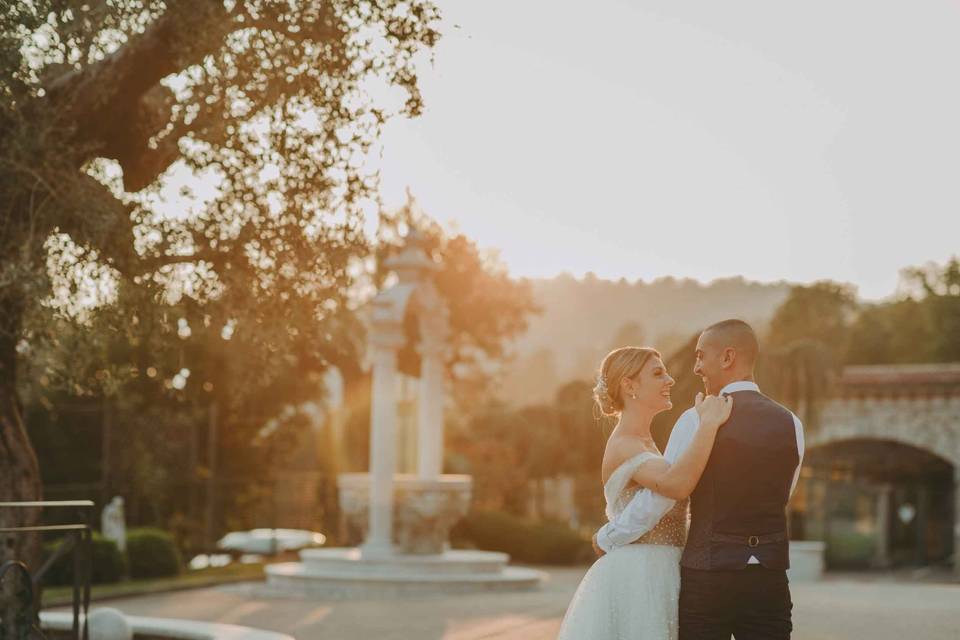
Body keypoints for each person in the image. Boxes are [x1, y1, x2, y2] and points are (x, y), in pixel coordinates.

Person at [593, 319, 805, 640]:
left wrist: (607, 537)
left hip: (708, 576)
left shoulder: (696, 418)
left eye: (701, 356)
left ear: (727, 357)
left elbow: (666, 496)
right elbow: (782, 493)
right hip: (769, 575)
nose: (695, 368)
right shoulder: (792, 423)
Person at [557, 345, 733, 640]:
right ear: (629, 385)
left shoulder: (646, 442)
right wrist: (708, 425)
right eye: (657, 373)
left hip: (669, 567)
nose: (670, 380)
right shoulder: (625, 444)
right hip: (640, 574)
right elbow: (676, 485)